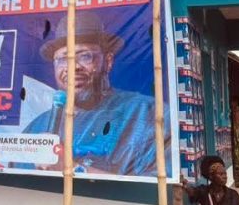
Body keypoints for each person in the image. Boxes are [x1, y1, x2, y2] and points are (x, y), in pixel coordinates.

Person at [22, 12, 163, 175]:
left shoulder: (147, 115)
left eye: (85, 56)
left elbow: (154, 184)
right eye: (63, 59)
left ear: (108, 62)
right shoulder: (35, 128)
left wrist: (71, 168)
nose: (73, 67)